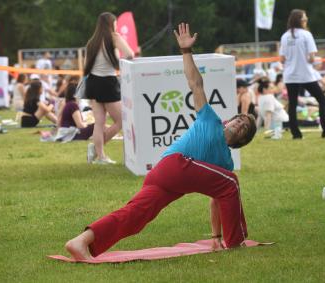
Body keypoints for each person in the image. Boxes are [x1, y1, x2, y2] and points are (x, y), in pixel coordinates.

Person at [65, 23, 257, 260]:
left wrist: (216, 237)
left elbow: (218, 201)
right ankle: (236, 244)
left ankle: (81, 241)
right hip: (173, 165)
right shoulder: (210, 119)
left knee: (135, 217)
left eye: (244, 127)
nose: (239, 123)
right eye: (238, 119)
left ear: (242, 139)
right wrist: (186, 52)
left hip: (166, 179)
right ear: (228, 121)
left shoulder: (224, 163)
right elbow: (195, 83)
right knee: (232, 183)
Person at [84, 12, 134, 164]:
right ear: (111, 24)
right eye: (115, 23)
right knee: (121, 121)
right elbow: (130, 54)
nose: (116, 26)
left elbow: (87, 65)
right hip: (108, 82)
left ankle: (100, 156)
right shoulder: (114, 37)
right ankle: (96, 149)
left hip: (93, 82)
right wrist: (120, 62)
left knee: (99, 122)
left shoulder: (91, 42)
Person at [279, 9, 325, 139]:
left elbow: (282, 59)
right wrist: (309, 59)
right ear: (300, 21)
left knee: (292, 104)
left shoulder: (285, 36)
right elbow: (311, 58)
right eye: (304, 19)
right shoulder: (306, 35)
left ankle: (296, 134)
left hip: (290, 75)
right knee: (322, 100)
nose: (306, 21)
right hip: (305, 74)